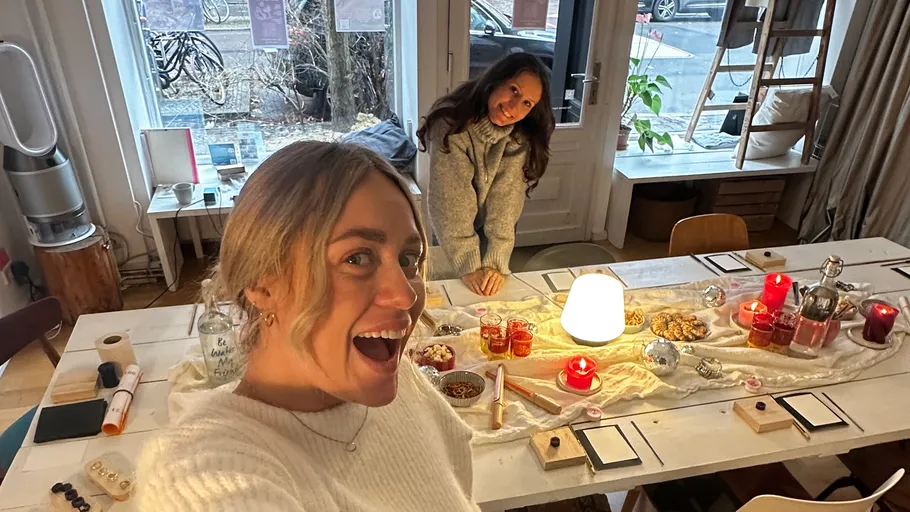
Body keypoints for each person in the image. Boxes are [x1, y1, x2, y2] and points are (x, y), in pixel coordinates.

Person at [137, 142, 478, 511]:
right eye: (357, 258)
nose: (405, 295)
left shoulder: (407, 383)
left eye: (408, 258)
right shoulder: (200, 468)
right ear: (262, 284)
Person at [417, 53, 555, 296]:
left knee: (491, 296)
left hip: (491, 225)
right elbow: (451, 204)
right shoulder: (451, 126)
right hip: (452, 229)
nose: (514, 107)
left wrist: (495, 262)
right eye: (514, 90)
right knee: (453, 294)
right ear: (495, 81)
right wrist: (468, 265)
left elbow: (506, 202)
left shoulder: (518, 136)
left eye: (527, 103)